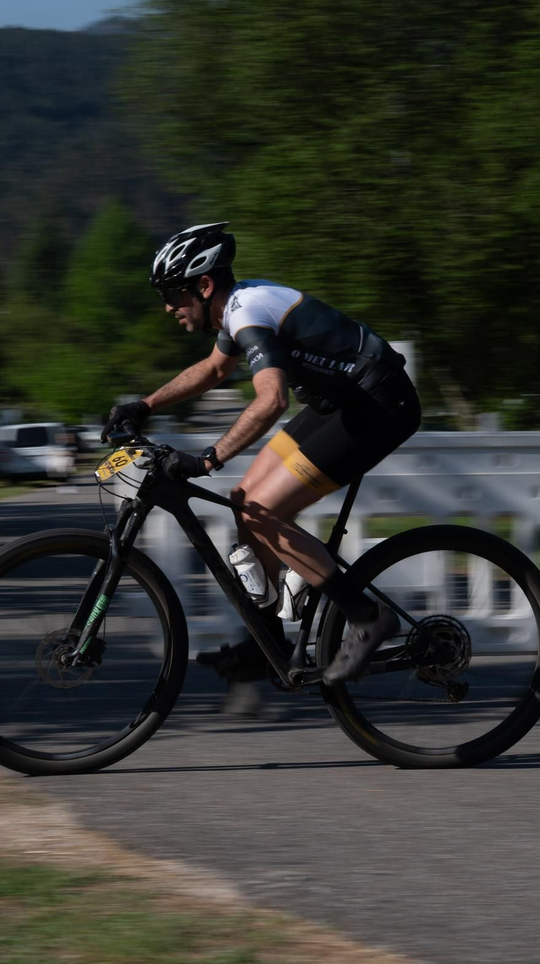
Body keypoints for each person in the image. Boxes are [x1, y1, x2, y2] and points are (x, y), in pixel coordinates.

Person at [102, 222, 421, 688]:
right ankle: (267, 639)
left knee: (263, 511)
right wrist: (145, 405)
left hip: (379, 403)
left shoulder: (247, 311)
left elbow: (272, 399)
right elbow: (215, 369)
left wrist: (209, 458)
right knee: (243, 498)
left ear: (204, 285)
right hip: (345, 401)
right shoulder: (236, 309)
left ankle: (366, 616)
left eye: (173, 294)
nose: (168, 306)